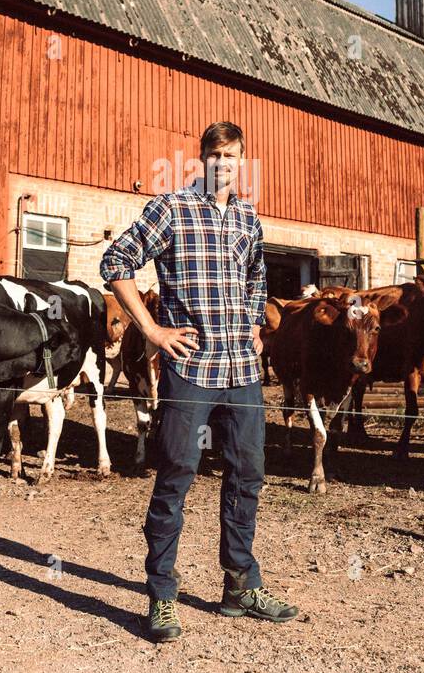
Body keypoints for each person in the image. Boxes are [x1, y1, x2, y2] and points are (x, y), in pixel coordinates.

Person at [100, 121, 299, 643]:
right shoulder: (171, 209)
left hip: (242, 373)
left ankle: (240, 586)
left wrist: (254, 325)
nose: (222, 164)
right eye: (215, 154)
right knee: (176, 475)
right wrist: (151, 330)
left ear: (241, 160)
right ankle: (162, 595)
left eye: (231, 155)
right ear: (202, 158)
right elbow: (115, 262)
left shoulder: (249, 217)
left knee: (247, 474)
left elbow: (256, 276)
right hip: (191, 368)